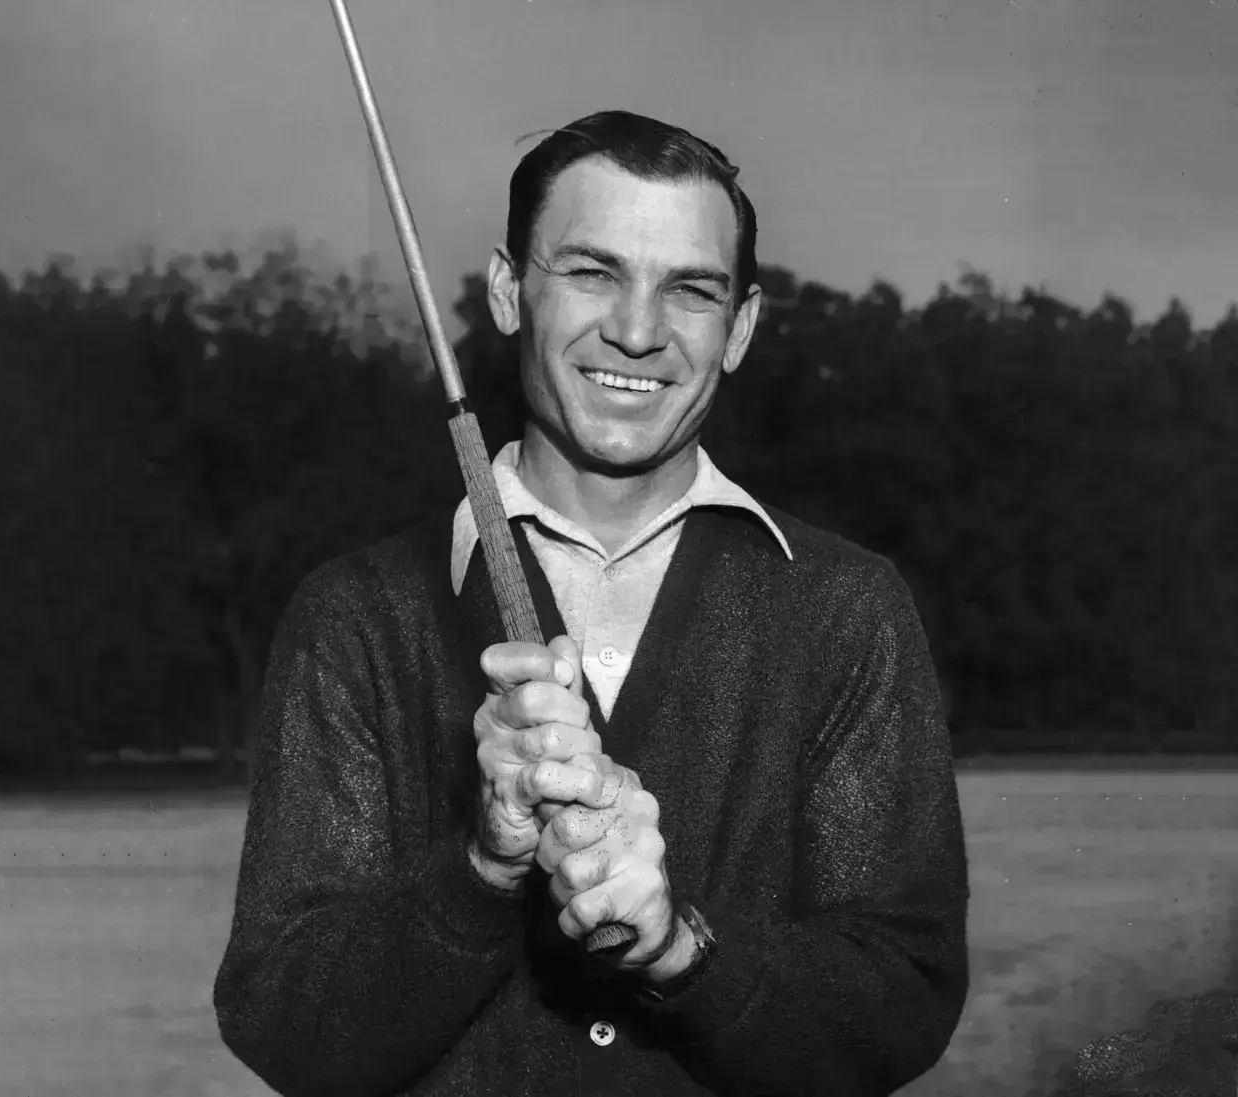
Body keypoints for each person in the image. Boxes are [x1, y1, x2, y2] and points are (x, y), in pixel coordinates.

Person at [214, 109, 970, 1096]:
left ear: (738, 327)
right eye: (591, 271)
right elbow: (289, 1031)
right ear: (506, 291)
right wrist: (483, 866)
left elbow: (896, 1009)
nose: (638, 330)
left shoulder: (842, 608)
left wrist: (678, 949)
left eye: (689, 290)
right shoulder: (358, 615)